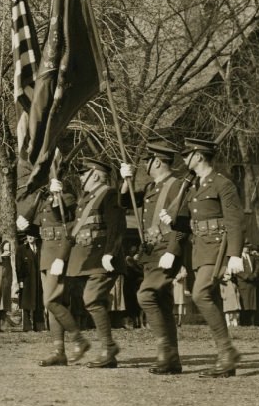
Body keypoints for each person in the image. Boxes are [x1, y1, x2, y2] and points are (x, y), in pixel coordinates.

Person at [160, 137, 245, 378]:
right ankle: (225, 360)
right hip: (199, 249)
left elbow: (235, 220)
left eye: (187, 155)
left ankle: (228, 352)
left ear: (198, 156)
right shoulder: (195, 186)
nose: (184, 160)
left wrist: (235, 254)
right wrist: (174, 221)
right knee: (212, 299)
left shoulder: (222, 184)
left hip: (217, 247)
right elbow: (189, 221)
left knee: (200, 294)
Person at [120, 141, 186, 374]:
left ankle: (164, 352)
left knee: (146, 295)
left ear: (157, 161)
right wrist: (124, 182)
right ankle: (173, 360)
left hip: (166, 249)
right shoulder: (150, 188)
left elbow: (183, 222)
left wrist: (173, 251)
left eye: (147, 161)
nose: (145, 165)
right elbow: (125, 203)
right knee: (162, 303)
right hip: (151, 252)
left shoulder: (178, 186)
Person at [18, 179, 86, 366]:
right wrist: (27, 226)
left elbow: (64, 218)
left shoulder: (68, 198)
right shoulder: (44, 202)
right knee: (53, 305)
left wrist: (58, 197)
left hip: (59, 255)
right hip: (46, 257)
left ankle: (78, 340)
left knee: (53, 301)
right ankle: (59, 351)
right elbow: (42, 229)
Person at [69, 158, 127, 368]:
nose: (81, 178)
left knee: (91, 299)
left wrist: (110, 252)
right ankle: (108, 350)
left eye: (83, 174)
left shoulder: (108, 194)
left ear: (94, 174)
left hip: (104, 259)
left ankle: (109, 347)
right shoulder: (86, 198)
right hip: (89, 260)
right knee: (95, 301)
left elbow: (116, 226)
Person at [16, 226, 44, 332]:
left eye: (32, 235)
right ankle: (27, 326)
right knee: (26, 303)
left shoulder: (41, 248)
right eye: (28, 236)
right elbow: (19, 267)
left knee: (39, 302)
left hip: (39, 279)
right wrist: (20, 281)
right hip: (27, 280)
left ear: (36, 237)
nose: (30, 237)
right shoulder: (21, 249)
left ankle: (39, 326)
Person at [237, 242, 259, 326]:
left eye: (248, 247)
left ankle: (252, 321)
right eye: (244, 247)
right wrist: (246, 276)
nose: (246, 249)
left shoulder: (252, 257)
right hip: (243, 283)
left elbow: (257, 267)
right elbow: (236, 270)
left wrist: (254, 274)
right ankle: (244, 322)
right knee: (244, 302)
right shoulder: (238, 258)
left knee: (252, 302)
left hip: (252, 283)